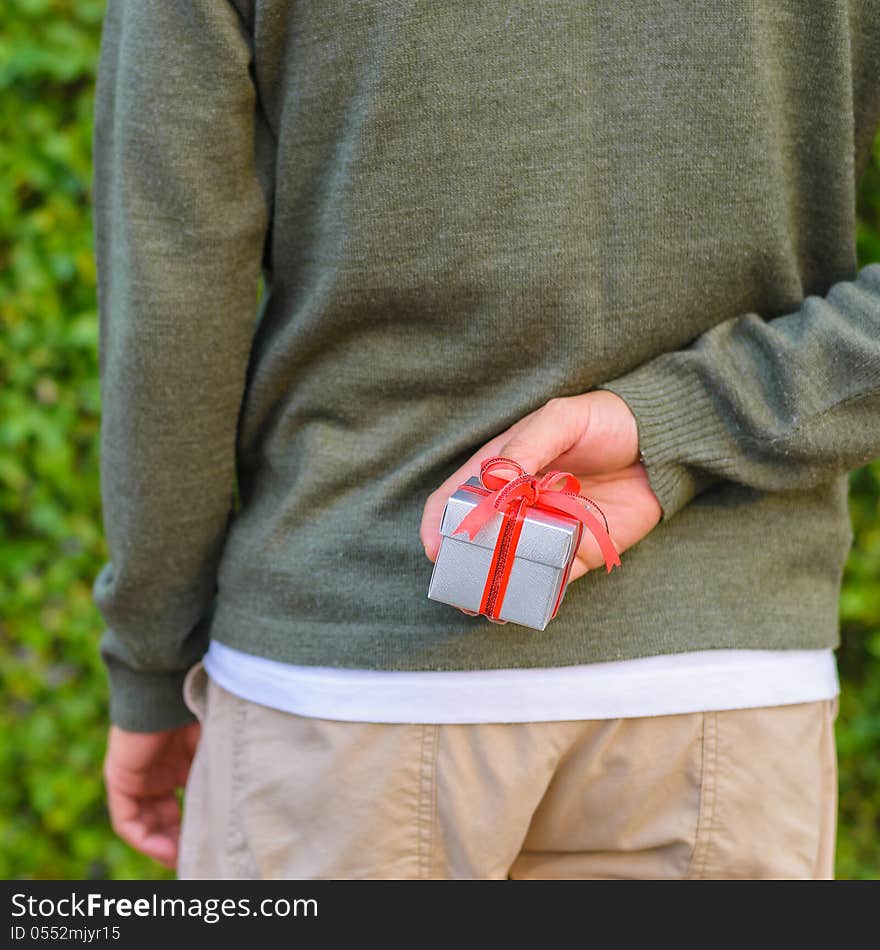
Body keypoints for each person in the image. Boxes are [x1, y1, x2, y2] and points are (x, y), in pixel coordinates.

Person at [92, 0, 880, 880]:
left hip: (348, 693)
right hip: (724, 698)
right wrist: (701, 418)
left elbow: (174, 298)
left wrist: (153, 664)